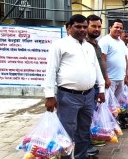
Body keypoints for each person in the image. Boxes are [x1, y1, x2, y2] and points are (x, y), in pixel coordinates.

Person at [42, 14, 105, 159]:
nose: (82, 30)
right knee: (66, 132)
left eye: (84, 27)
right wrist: (49, 96)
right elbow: (51, 71)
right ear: (69, 28)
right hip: (68, 96)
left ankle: (81, 156)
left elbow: (96, 69)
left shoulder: (89, 47)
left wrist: (101, 90)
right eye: (78, 27)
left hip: (89, 95)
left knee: (84, 130)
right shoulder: (59, 45)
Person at [98, 19, 128, 129]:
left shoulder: (121, 42)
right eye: (116, 27)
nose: (119, 29)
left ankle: (113, 125)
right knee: (106, 105)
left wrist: (125, 76)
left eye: (121, 28)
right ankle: (104, 127)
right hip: (110, 79)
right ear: (110, 27)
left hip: (120, 78)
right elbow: (102, 60)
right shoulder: (105, 41)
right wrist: (106, 78)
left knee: (115, 106)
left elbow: (125, 59)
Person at [85, 15, 110, 152]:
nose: (97, 29)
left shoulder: (96, 43)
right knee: (86, 118)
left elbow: (100, 64)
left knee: (90, 117)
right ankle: (85, 146)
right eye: (93, 26)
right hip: (85, 88)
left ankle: (88, 143)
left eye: (99, 26)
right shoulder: (84, 44)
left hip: (96, 87)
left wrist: (104, 81)